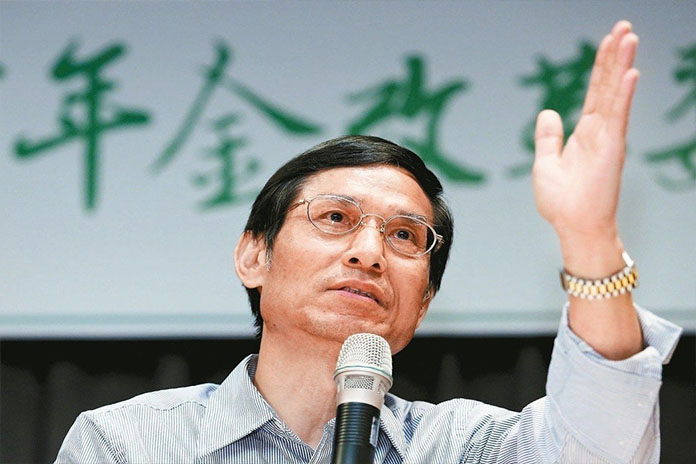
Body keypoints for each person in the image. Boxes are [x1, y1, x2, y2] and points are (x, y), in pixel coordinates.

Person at [55, 21, 681, 463]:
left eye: (404, 235)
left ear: (424, 301)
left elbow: (599, 446)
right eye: (334, 218)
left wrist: (589, 236)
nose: (369, 253)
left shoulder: (467, 448)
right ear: (253, 256)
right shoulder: (128, 444)